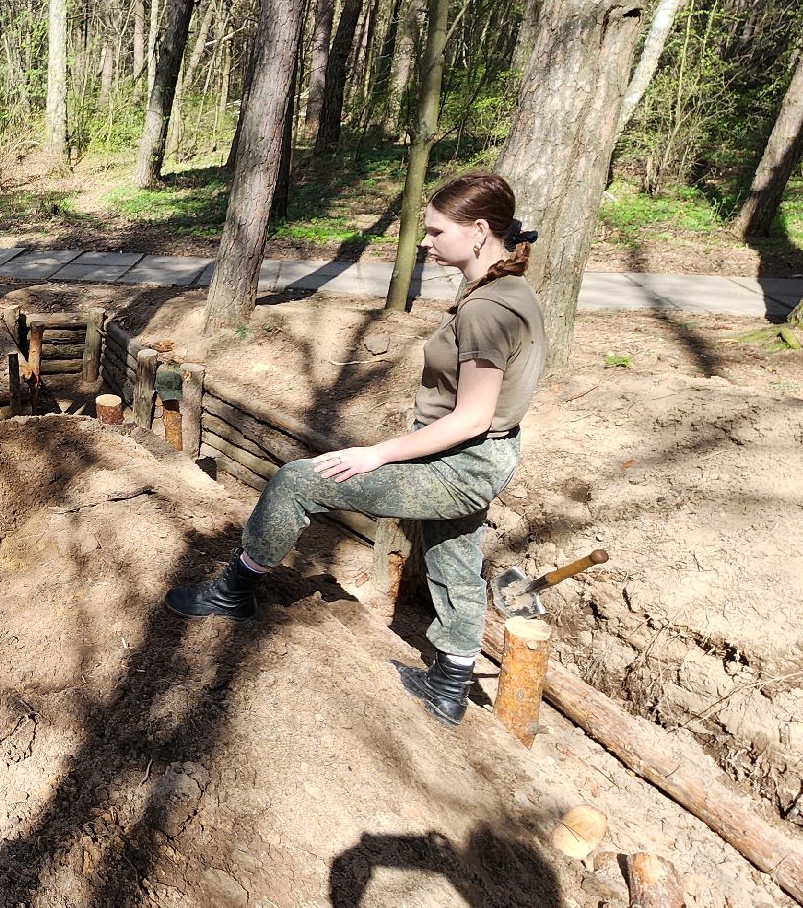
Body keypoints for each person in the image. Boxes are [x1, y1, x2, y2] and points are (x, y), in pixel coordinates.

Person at [165, 172, 546, 727]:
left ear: (480, 231)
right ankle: (450, 682)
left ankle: (234, 590)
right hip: (483, 456)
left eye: (437, 232)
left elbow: (472, 417)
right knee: (454, 553)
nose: (425, 242)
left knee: (299, 480)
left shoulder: (488, 309)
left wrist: (379, 453)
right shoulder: (511, 291)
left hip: (462, 461)